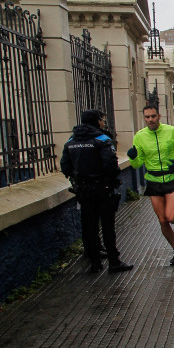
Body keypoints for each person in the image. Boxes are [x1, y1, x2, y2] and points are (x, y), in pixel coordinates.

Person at [60, 110, 133, 274]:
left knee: (89, 225)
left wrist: (76, 179)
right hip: (102, 188)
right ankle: (114, 261)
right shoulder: (102, 139)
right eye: (102, 119)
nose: (104, 122)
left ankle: (95, 262)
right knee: (107, 226)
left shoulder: (71, 141)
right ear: (96, 121)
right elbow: (110, 164)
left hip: (83, 190)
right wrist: (112, 180)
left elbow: (65, 166)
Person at [128, 105, 174, 265]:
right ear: (144, 118)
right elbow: (137, 164)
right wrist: (133, 158)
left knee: (170, 216)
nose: (150, 120)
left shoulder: (171, 131)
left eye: (153, 116)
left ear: (159, 116)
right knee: (162, 220)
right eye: (147, 117)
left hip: (172, 178)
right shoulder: (139, 136)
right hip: (153, 180)